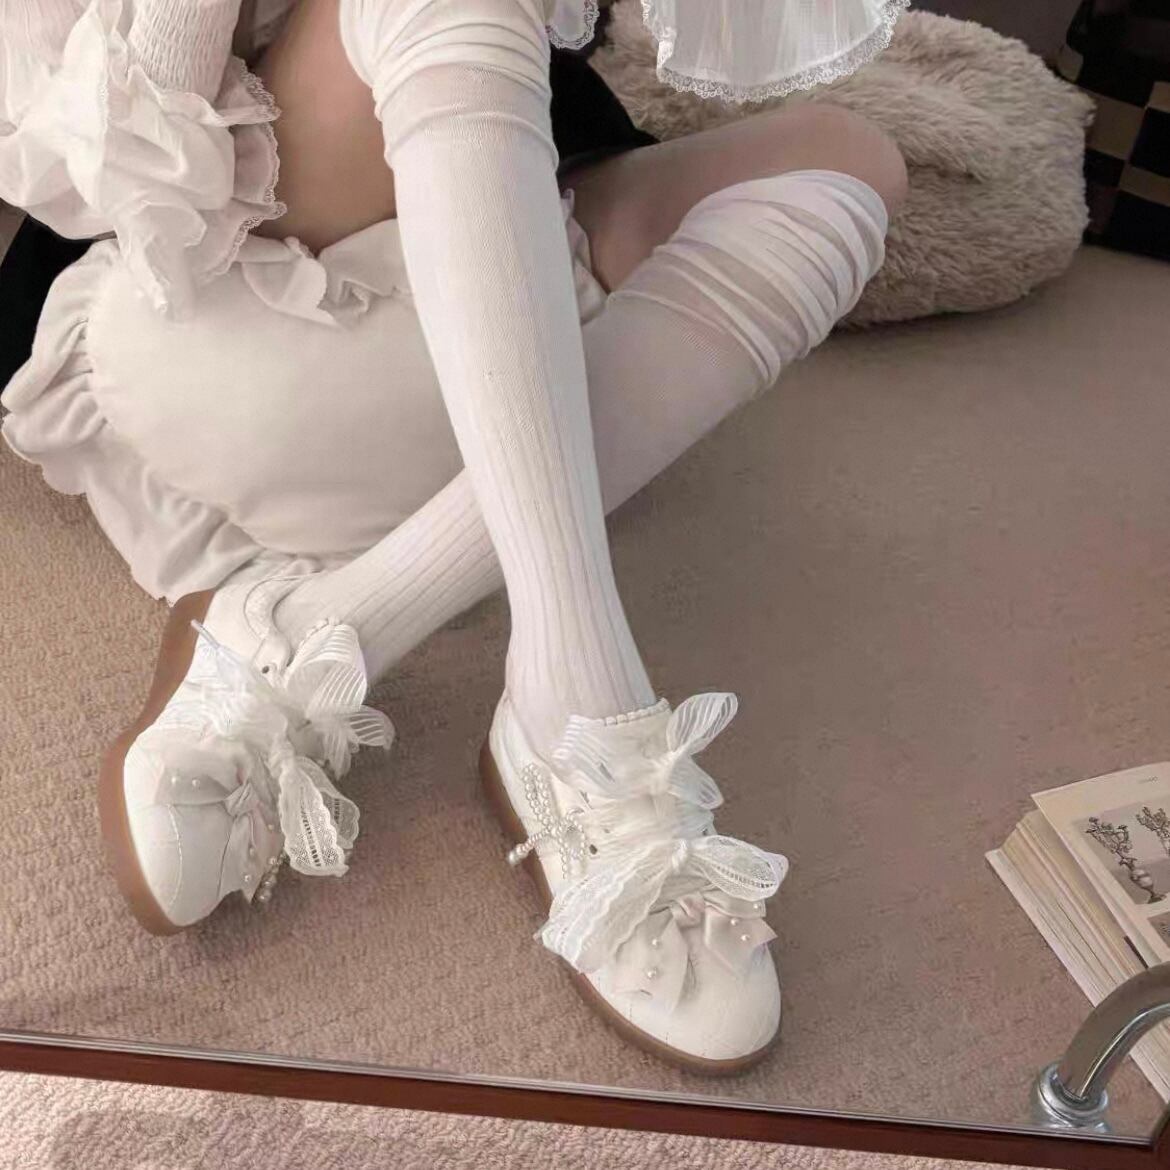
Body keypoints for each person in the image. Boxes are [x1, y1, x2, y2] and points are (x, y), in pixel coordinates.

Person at [0, 0, 909, 1071]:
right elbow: (132, 151)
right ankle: (585, 705)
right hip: (219, 305)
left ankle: (344, 624)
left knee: (848, 163)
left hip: (487, 226)